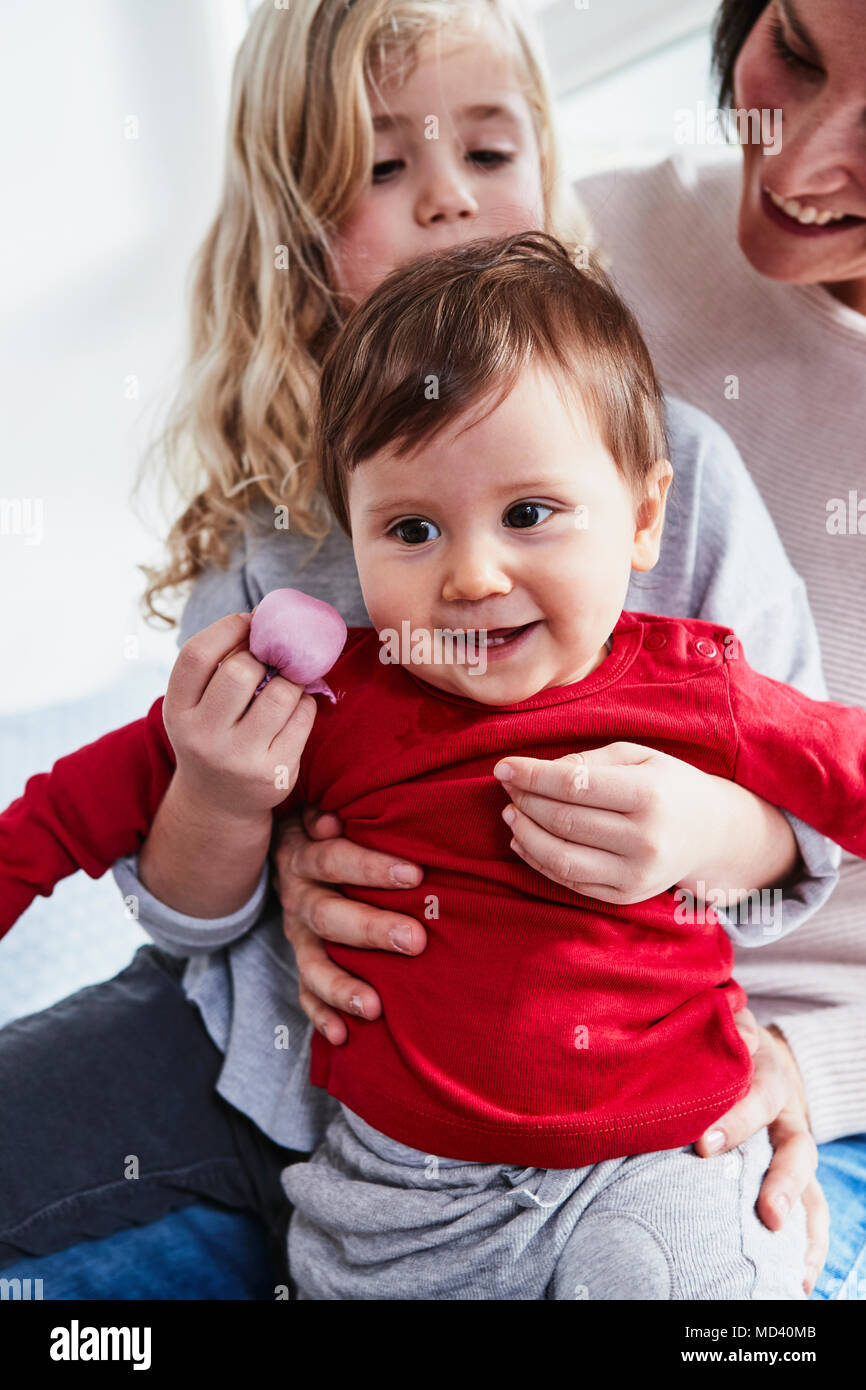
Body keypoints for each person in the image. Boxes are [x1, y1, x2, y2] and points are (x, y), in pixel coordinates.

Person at [0, 0, 843, 1297]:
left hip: (613, 1103)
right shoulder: (273, 536)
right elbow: (173, 891)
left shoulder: (673, 481)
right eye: (383, 167)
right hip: (300, 1070)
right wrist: (235, 805)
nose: (448, 201)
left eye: (488, 156)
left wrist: (700, 830)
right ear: (291, 231)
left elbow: (809, 803)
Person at [573, 0, 866, 1299]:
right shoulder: (588, 241)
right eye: (792, 53)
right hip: (457, 967)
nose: (796, 162)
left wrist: (811, 1063)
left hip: (789, 1063)